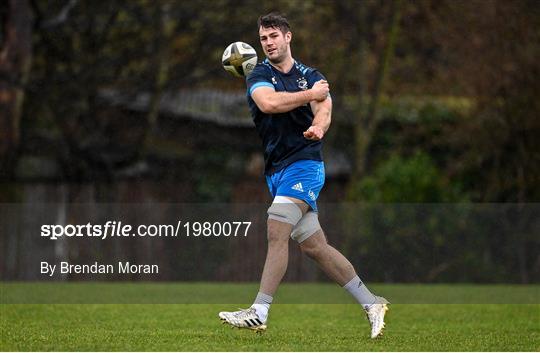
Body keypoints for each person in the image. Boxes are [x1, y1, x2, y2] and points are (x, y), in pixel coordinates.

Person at [219, 12, 389, 339]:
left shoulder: (311, 75)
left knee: (276, 228)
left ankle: (259, 309)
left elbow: (325, 109)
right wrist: (310, 95)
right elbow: (269, 104)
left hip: (306, 164)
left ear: (288, 37)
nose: (268, 43)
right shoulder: (257, 73)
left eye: (273, 36)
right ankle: (371, 302)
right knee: (314, 247)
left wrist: (318, 126)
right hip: (278, 169)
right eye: (263, 38)